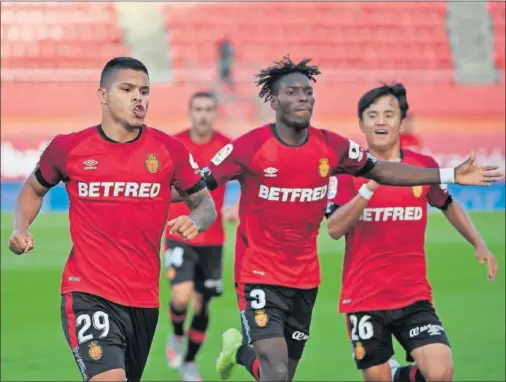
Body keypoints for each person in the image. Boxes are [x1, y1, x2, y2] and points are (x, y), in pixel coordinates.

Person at [190, 57, 502, 382]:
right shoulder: (250, 146)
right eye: (293, 92)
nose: (303, 98)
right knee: (277, 374)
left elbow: (386, 171)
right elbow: (195, 184)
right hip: (260, 274)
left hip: (306, 279)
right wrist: (151, 194)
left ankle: (240, 350)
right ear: (273, 98)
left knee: (283, 373)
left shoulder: (331, 146)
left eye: (308, 92)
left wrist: (450, 175)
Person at [7, 57, 217, 382]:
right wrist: (20, 228)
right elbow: (33, 190)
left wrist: (197, 220)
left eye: (145, 91)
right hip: (87, 291)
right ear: (103, 95)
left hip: (143, 299)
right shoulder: (69, 148)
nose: (139, 98)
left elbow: (204, 203)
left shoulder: (168, 150)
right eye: (128, 89)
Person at [325, 83, 498, 382]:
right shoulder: (345, 172)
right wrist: (371, 185)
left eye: (389, 114)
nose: (381, 121)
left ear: (401, 122)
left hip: (413, 295)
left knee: (441, 372)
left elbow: (447, 203)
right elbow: (334, 228)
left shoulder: (423, 167)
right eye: (373, 115)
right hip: (364, 297)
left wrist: (477, 241)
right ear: (361, 123)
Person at [165, 91, 238, 381]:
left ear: (215, 112)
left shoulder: (226, 146)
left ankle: (190, 362)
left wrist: (238, 206)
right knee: (181, 296)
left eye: (208, 109)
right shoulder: (174, 144)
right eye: (198, 109)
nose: (203, 114)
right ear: (190, 111)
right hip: (179, 232)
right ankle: (176, 334)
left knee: (202, 304)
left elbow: (251, 178)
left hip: (213, 237)